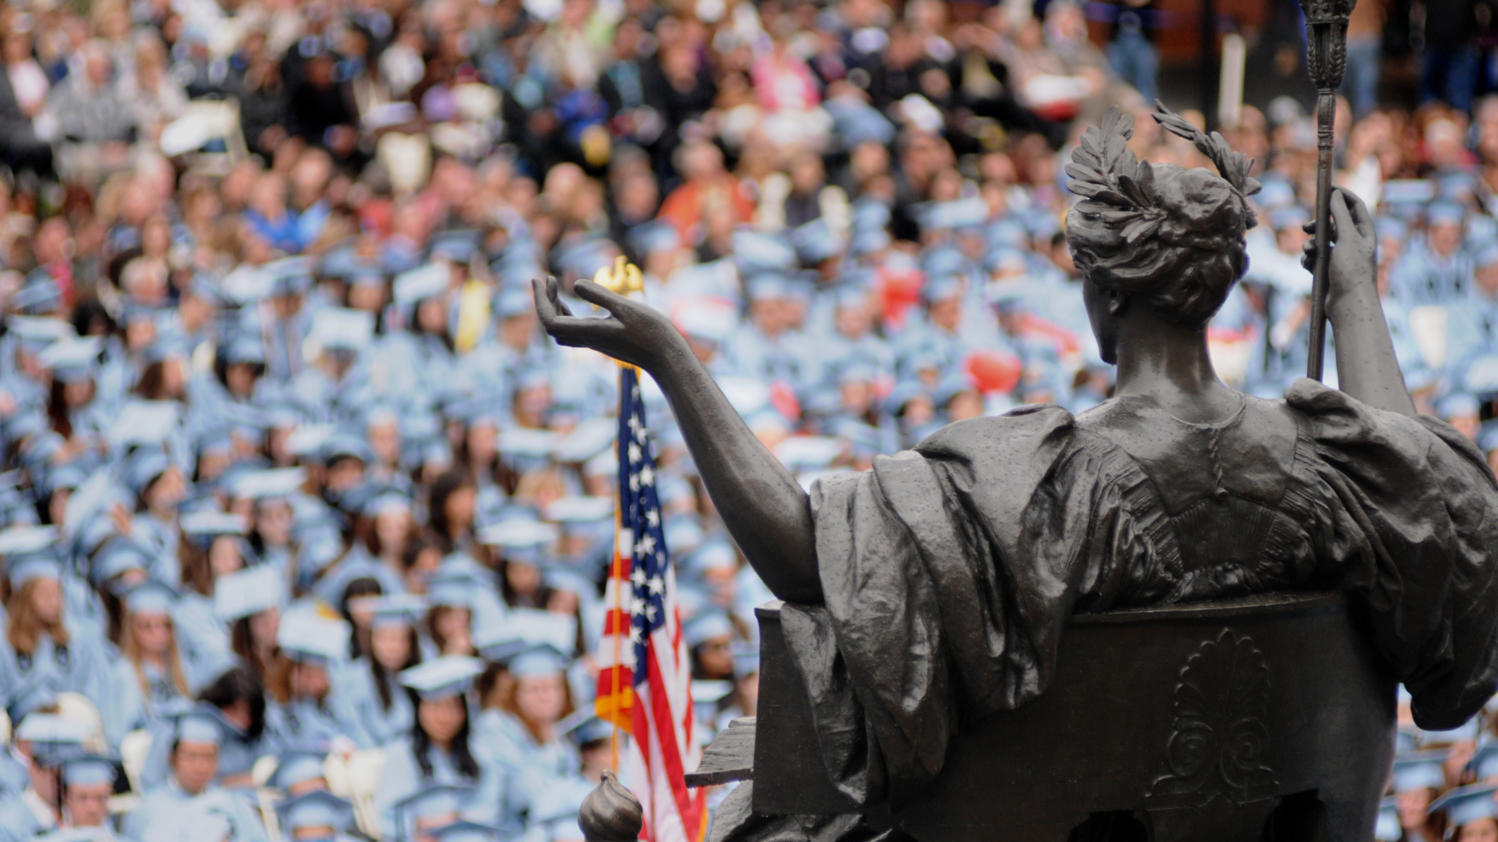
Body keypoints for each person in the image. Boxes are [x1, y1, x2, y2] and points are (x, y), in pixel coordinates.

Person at [534, 105, 1498, 818]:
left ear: (1103, 301)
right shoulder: (1328, 467)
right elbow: (1419, 488)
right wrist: (1354, 299)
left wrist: (670, 357)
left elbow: (800, 559)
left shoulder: (1035, 485)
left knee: (766, 812)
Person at [372, 655, 510, 839]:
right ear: (419, 709)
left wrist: (458, 819)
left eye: (453, 707)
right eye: (435, 707)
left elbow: (490, 808)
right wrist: (418, 826)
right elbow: (387, 818)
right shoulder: (401, 753)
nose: (444, 717)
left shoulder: (480, 751)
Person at [122, 706, 267, 841]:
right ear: (171, 758)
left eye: (208, 757)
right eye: (191, 756)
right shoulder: (147, 809)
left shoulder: (232, 804)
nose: (200, 767)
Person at [103, 581, 190, 746]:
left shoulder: (181, 668)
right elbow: (119, 733)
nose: (158, 633)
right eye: (147, 626)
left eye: (165, 625)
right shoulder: (124, 672)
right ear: (133, 628)